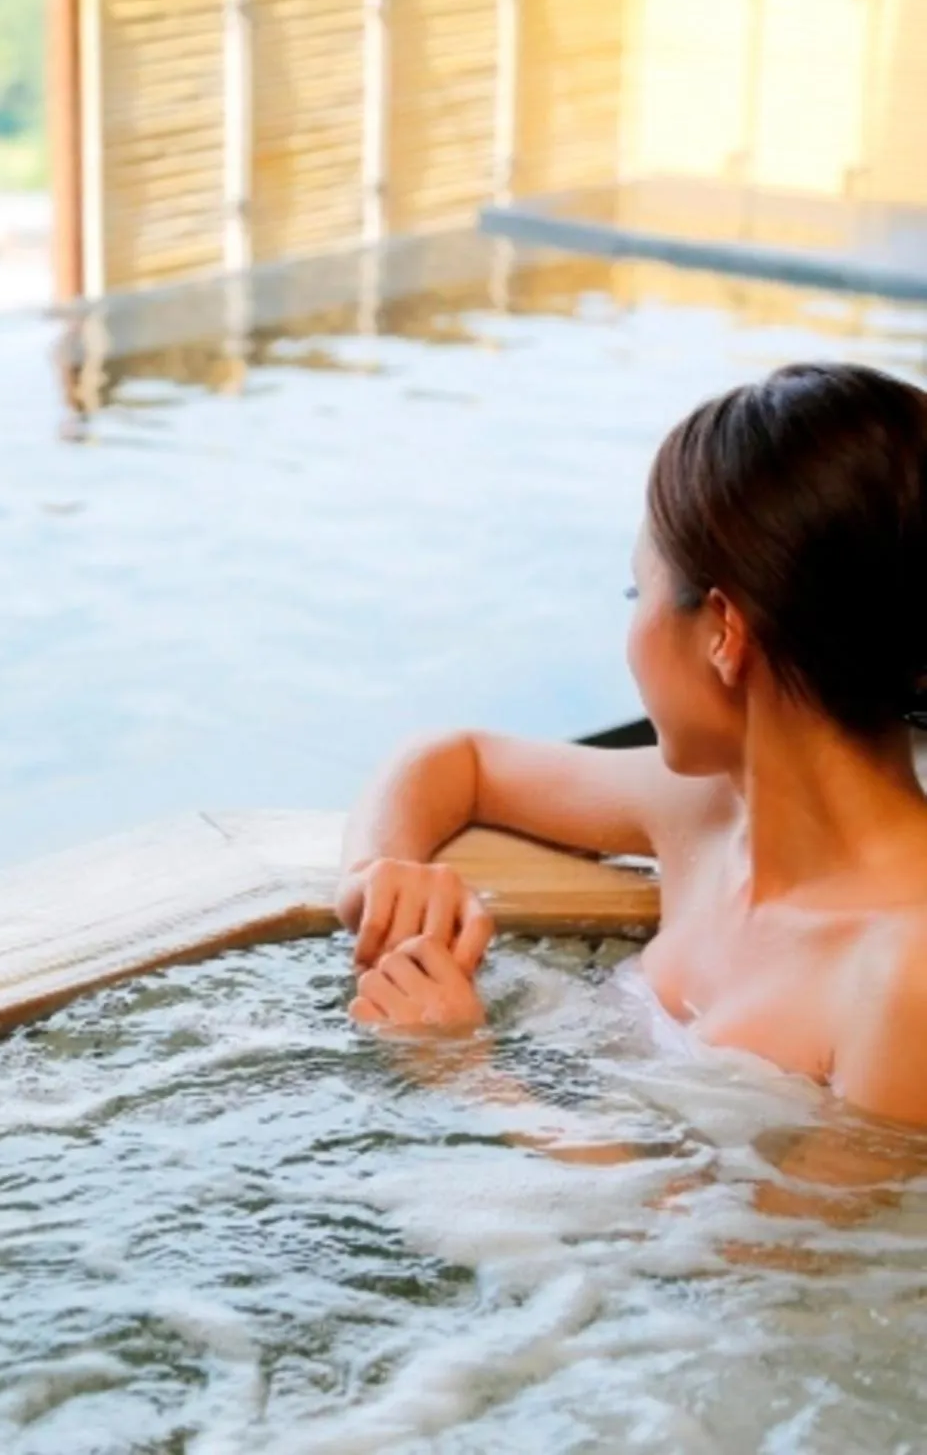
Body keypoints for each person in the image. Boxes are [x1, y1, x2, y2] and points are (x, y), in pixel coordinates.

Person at [339, 362, 927, 1128]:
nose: (629, 634)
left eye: (635, 594)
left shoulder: (903, 977)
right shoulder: (710, 813)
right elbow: (451, 758)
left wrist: (468, 1076)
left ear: (721, 631)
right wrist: (379, 877)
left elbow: (763, 1252)